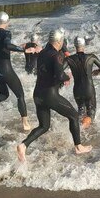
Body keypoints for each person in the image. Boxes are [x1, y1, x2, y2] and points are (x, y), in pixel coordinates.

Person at [16, 29, 92, 163]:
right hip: (50, 95)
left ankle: (23, 145)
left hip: (38, 94)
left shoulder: (43, 53)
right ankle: (78, 147)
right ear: (59, 41)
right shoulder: (56, 55)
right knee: (73, 115)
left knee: (44, 126)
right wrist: (66, 76)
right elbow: (58, 74)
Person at [0, 11, 38, 131]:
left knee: (4, 93)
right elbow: (8, 46)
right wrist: (24, 50)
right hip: (5, 69)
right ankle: (25, 123)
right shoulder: (6, 33)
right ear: (7, 22)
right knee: (20, 95)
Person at [65, 36, 100, 128]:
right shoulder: (91, 57)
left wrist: (65, 77)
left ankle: (78, 132)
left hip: (77, 90)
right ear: (84, 45)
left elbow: (59, 70)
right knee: (91, 114)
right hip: (89, 90)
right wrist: (97, 71)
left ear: (75, 45)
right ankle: (82, 130)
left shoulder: (69, 59)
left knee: (81, 112)